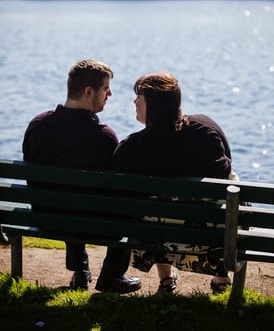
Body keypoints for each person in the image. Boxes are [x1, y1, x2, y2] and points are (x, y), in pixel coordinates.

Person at [22, 59, 142, 294]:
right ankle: (112, 275)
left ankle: (80, 269)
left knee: (67, 196)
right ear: (89, 92)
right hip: (91, 224)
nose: (110, 94)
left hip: (46, 218)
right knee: (127, 202)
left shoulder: (37, 125)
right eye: (106, 89)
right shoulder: (103, 137)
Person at [110, 72, 234, 294]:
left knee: (153, 207)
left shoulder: (134, 148)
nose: (134, 101)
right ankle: (221, 276)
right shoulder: (207, 130)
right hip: (210, 236)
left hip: (160, 236)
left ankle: (166, 279)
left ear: (154, 106)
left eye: (140, 97)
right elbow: (225, 171)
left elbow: (117, 171)